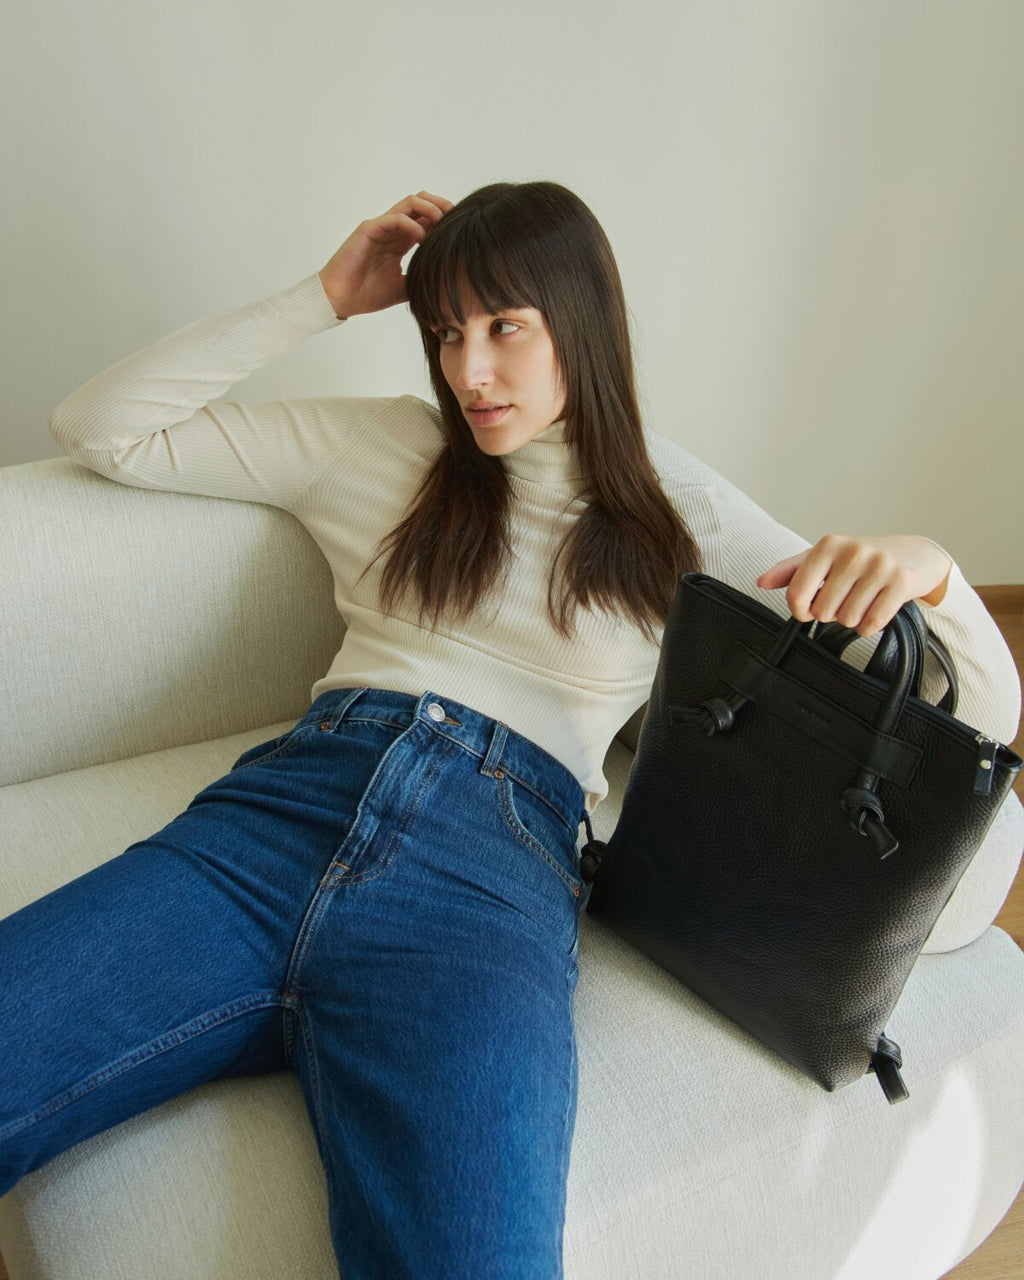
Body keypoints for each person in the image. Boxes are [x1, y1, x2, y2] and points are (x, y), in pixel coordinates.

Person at [1, 183, 1019, 1279]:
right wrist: (321, 298)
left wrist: (937, 571)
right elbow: (100, 430)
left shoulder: (681, 516)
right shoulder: (380, 449)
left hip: (489, 883)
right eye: (444, 331)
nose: (467, 371)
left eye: (504, 327)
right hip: (271, 826)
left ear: (579, 321)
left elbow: (963, 726)